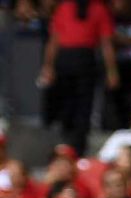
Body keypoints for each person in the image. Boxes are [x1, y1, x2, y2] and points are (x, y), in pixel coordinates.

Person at [37, 0, 120, 153]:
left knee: (71, 106)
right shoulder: (97, 9)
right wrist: (112, 71)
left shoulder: (66, 7)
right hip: (82, 60)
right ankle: (74, 147)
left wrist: (48, 66)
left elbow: (54, 40)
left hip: (68, 60)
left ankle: (69, 146)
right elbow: (106, 44)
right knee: (81, 107)